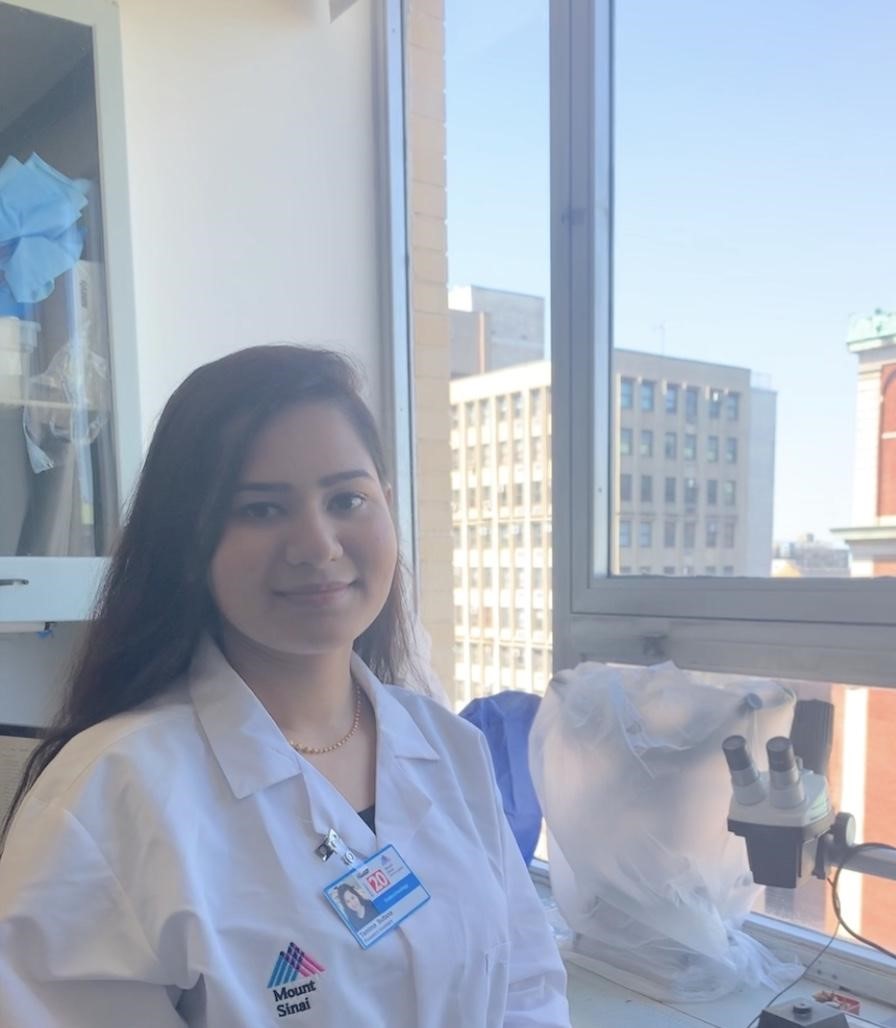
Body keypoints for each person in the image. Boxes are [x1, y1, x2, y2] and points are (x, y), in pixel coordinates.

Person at [0, 345, 571, 1027]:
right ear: (189, 541)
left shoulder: (448, 747)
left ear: (386, 506)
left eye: (346, 499)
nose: (318, 543)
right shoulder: (108, 797)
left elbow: (527, 989)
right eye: (261, 510)